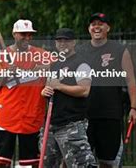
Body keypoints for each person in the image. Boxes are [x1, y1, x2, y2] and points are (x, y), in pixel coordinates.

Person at [77, 13, 136, 168]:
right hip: (85, 115)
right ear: (89, 28)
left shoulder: (119, 50)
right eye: (93, 24)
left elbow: (130, 80)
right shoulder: (80, 51)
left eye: (101, 23)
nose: (96, 27)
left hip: (110, 114)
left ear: (108, 28)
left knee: (108, 162)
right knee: (83, 161)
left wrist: (134, 107)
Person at [0, 19, 55, 168]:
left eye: (29, 34)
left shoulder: (42, 55)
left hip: (32, 116)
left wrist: (47, 71)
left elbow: (60, 69)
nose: (27, 37)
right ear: (14, 34)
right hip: (7, 115)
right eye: (23, 34)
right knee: (0, 161)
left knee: (31, 162)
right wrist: (6, 73)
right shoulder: (2, 56)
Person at [40, 28, 96, 167]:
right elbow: (49, 86)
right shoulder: (54, 65)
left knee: (80, 164)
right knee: (48, 164)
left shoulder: (81, 63)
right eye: (59, 40)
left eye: (66, 40)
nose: (62, 43)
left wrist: (59, 86)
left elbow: (84, 90)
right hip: (51, 123)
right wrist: (45, 91)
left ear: (74, 42)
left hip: (71, 125)